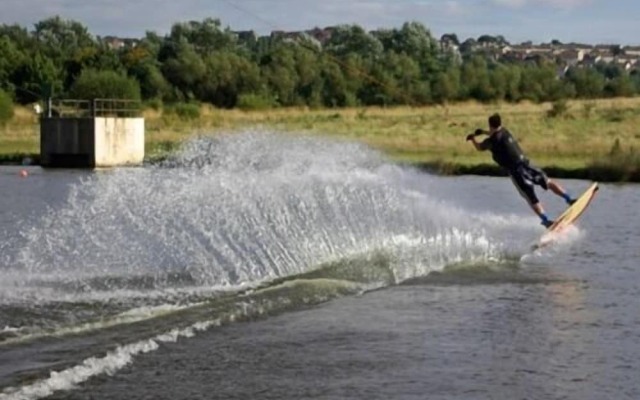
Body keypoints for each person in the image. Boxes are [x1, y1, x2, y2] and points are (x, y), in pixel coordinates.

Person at [466, 113, 575, 228]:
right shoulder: (505, 131)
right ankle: (569, 199)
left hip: (516, 172)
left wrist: (473, 139)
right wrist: (483, 132)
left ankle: (546, 220)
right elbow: (494, 131)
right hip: (526, 164)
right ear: (500, 123)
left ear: (490, 125)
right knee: (547, 181)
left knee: (530, 196)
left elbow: (479, 147)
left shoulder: (491, 141)